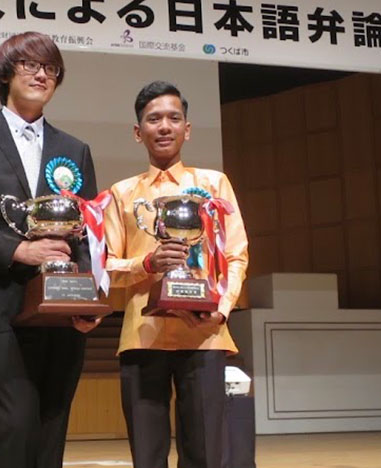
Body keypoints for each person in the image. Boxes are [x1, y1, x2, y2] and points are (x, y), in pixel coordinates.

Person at [0, 32, 100, 468]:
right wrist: (18, 251)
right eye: (29, 65)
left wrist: (87, 296)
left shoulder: (75, 150)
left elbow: (86, 232)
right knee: (14, 430)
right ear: (5, 74)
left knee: (52, 431)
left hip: (62, 310)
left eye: (50, 68)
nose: (41, 74)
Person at [103, 81, 249, 468]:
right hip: (142, 336)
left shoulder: (213, 184)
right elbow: (107, 267)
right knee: (147, 456)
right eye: (154, 119)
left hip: (205, 333)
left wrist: (222, 309)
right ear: (139, 132)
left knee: (205, 454)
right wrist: (147, 264)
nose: (164, 126)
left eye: (173, 118)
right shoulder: (121, 193)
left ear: (187, 128)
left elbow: (236, 254)